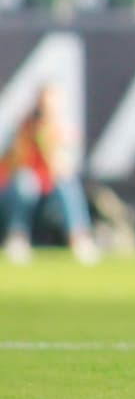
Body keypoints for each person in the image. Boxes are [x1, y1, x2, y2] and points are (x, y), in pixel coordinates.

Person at [0, 84, 98, 265]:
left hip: (50, 201)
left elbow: (62, 169)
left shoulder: (63, 131)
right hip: (20, 198)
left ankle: (78, 237)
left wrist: (47, 140)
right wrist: (26, 136)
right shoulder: (22, 129)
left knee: (65, 184)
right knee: (25, 182)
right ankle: (17, 236)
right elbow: (12, 167)